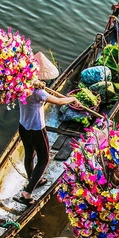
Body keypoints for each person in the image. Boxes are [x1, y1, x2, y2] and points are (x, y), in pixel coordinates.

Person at [14, 52, 80, 205]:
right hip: (37, 129)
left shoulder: (19, 86)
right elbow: (57, 101)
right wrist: (73, 99)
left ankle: (33, 180)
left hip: (23, 127)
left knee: (29, 154)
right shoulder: (38, 92)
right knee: (44, 159)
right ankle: (27, 194)